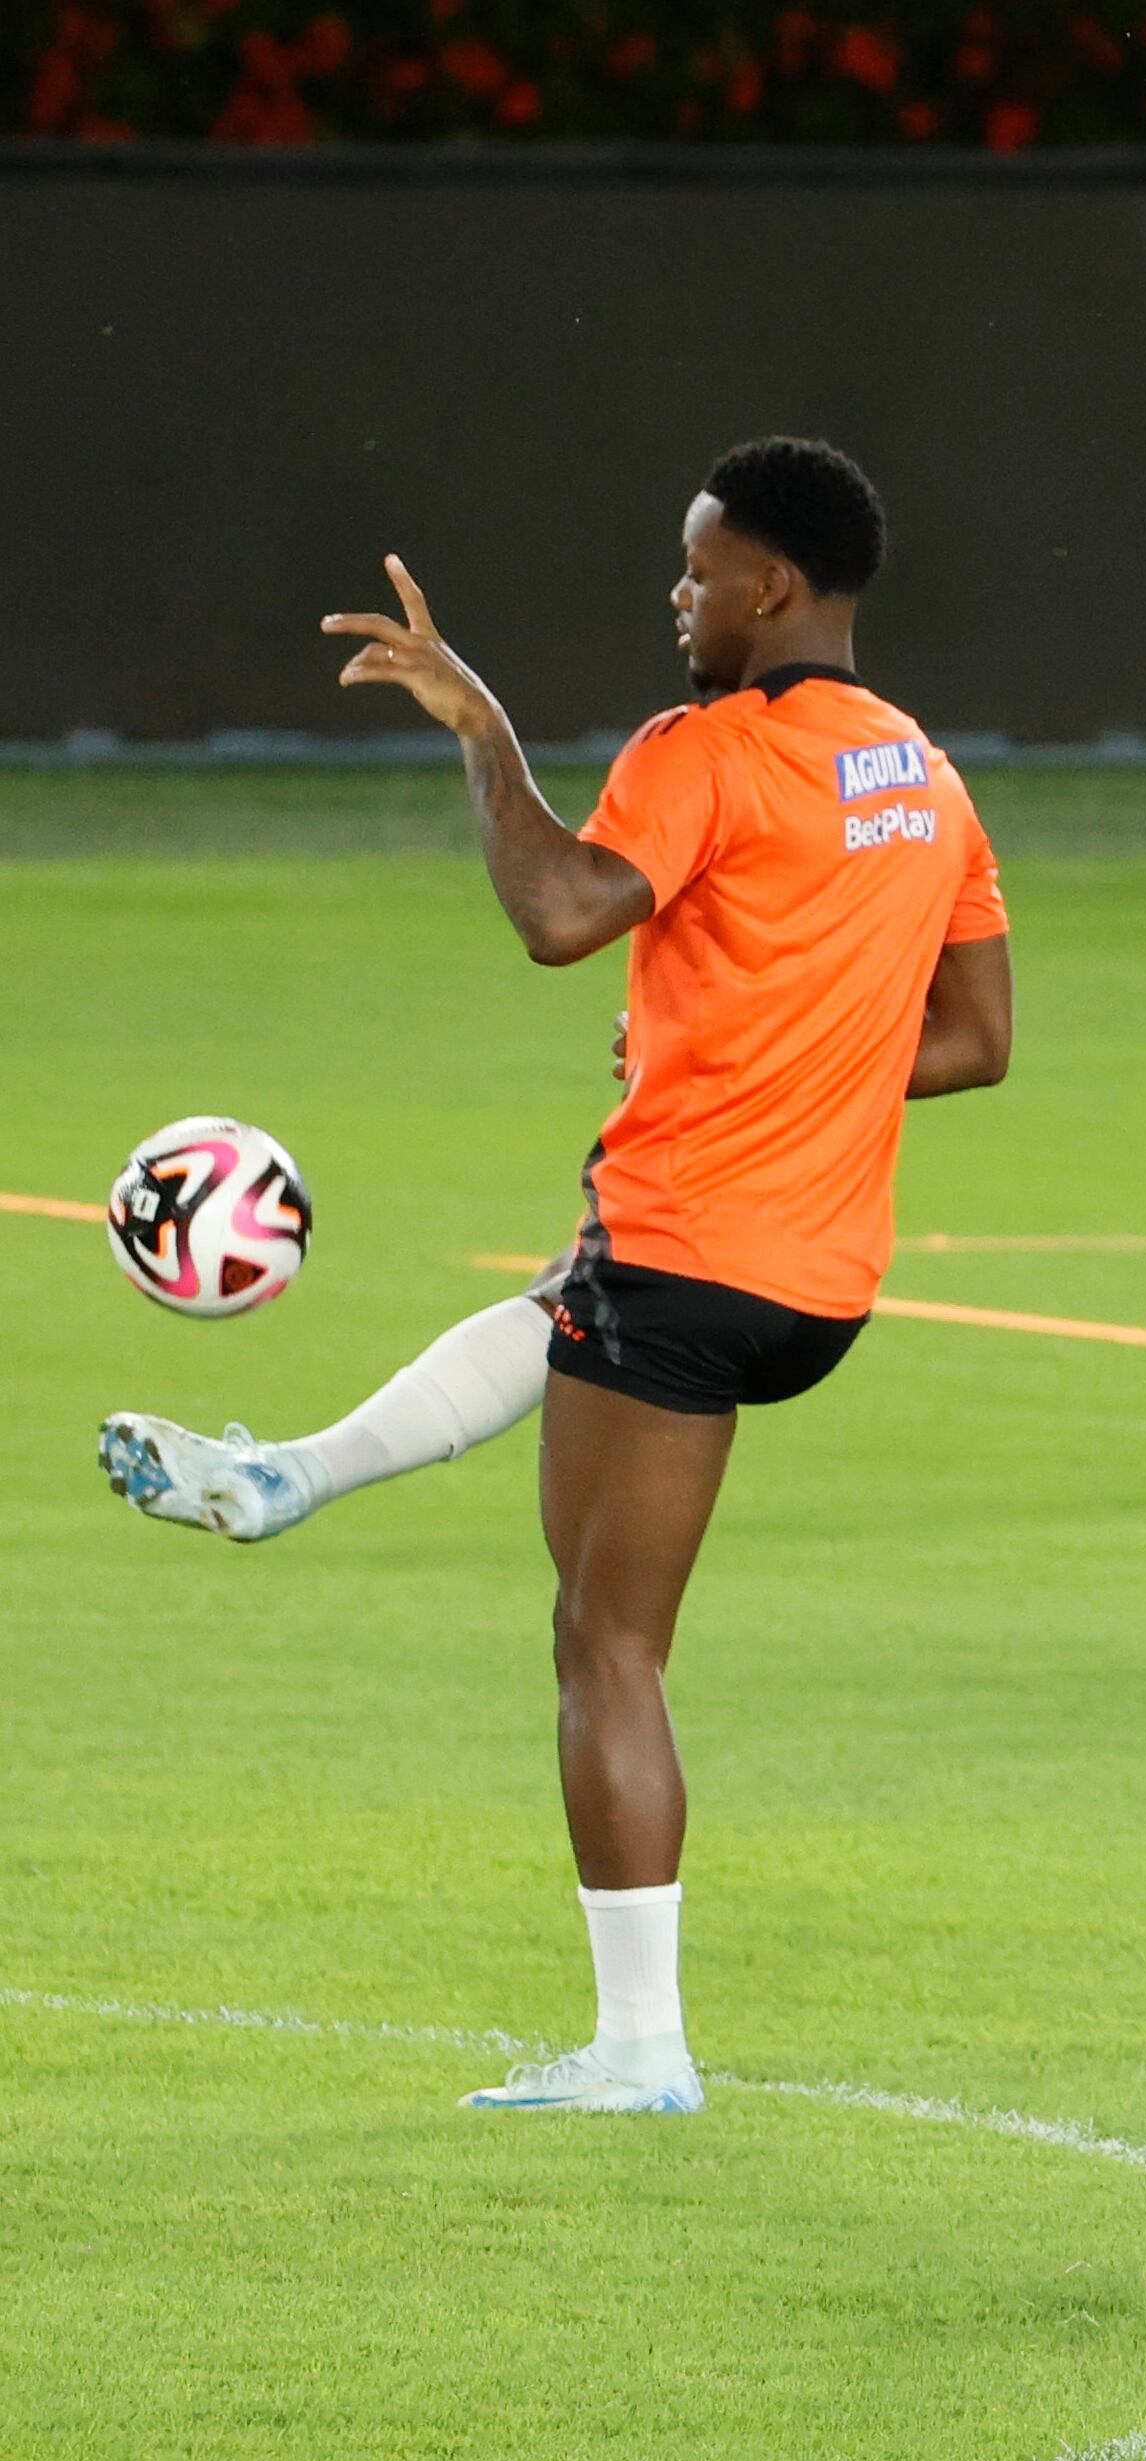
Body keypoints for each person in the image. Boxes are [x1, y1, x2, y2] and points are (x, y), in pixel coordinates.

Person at [99, 443, 1014, 2116]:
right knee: (562, 1300)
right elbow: (974, 1039)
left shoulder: (705, 749)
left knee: (604, 1641)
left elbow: (559, 909)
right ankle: (288, 1470)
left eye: (696, 569)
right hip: (817, 1280)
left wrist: (481, 730)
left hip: (692, 1250)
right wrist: (769, 1048)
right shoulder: (926, 775)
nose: (678, 595)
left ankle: (638, 2048)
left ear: (772, 589)